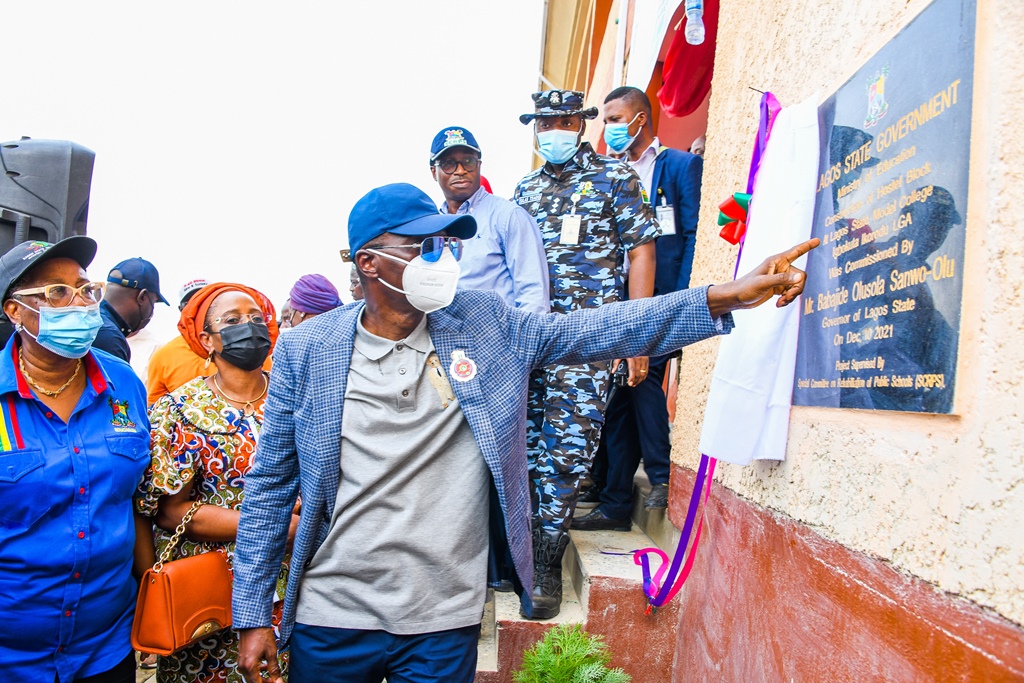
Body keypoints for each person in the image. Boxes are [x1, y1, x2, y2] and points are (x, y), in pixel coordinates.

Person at [230, 182, 817, 683]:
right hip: (335, 613)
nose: (440, 258)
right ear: (369, 264)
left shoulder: (485, 323)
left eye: (444, 244)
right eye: (421, 246)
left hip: (442, 617)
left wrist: (719, 296)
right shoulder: (308, 349)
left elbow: (593, 329)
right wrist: (253, 611)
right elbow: (270, 487)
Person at [512, 89, 659, 617]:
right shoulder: (524, 190)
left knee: (568, 451)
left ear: (580, 122)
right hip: (530, 342)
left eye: (563, 119)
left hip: (590, 341)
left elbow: (642, 249)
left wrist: (639, 333)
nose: (553, 129)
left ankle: (547, 565)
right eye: (544, 121)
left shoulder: (616, 178)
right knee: (526, 450)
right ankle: (523, 555)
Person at [0, 236, 151, 683]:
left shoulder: (123, 384)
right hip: (12, 657)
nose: (80, 303)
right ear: (14, 311)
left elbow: (135, 500)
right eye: (56, 293)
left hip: (106, 647)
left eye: (87, 289)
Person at [135, 282, 296, 683]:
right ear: (206, 339)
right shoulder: (180, 410)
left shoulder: (294, 397)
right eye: (234, 320)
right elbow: (167, 511)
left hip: (296, 583)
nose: (251, 326)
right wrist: (269, 525)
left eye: (258, 318)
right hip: (209, 592)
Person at [575, 86, 704, 530]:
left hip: (660, 301)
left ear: (641, 118)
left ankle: (663, 477)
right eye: (605, 120)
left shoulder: (681, 166)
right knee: (619, 398)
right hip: (616, 303)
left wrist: (679, 302)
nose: (607, 127)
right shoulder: (608, 175)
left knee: (643, 381)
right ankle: (613, 497)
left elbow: (692, 236)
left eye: (614, 118)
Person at [429, 126, 549, 314]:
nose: (460, 171)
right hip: (444, 338)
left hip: (499, 339)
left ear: (479, 165)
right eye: (448, 164)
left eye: (468, 161)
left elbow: (533, 294)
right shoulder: (432, 226)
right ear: (434, 172)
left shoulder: (508, 216)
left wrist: (526, 342)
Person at [145, 278, 211, 405]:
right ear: (181, 309)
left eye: (205, 301)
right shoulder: (163, 357)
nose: (197, 307)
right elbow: (154, 412)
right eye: (190, 303)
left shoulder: (247, 348)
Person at [93, 257, 168, 362]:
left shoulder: (93, 322)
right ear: (142, 297)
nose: (152, 311)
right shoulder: (109, 337)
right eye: (153, 302)